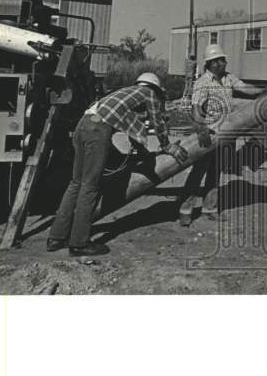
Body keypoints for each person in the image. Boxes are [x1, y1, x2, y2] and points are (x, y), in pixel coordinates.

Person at [48, 72, 183, 256]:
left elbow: (131, 129)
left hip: (83, 126)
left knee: (76, 183)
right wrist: (168, 146)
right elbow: (157, 122)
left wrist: (142, 152)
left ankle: (56, 237)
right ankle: (79, 243)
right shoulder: (149, 94)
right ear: (155, 89)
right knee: (90, 186)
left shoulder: (123, 94)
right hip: (97, 130)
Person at [180, 44, 265, 226]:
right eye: (221, 60)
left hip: (226, 132)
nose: (224, 63)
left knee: (215, 172)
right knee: (198, 173)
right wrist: (201, 128)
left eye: (224, 60)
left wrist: (265, 91)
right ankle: (185, 210)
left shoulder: (228, 78)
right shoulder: (203, 82)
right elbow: (196, 108)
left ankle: (210, 209)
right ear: (212, 64)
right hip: (209, 133)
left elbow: (246, 88)